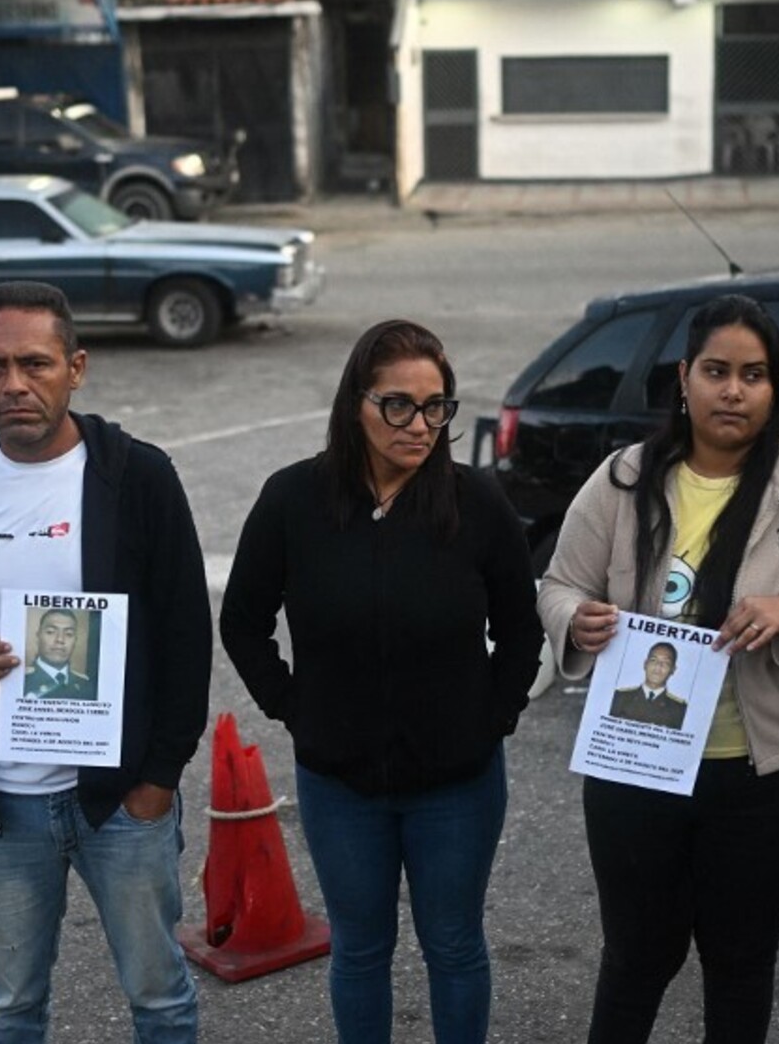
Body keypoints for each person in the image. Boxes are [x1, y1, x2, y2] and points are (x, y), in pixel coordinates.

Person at [537, 294, 779, 1044]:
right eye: (716, 371)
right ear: (684, 378)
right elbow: (559, 584)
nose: (734, 391)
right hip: (639, 765)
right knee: (635, 958)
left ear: (775, 388)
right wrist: (576, 617)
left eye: (753, 375)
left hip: (771, 782)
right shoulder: (622, 479)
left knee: (739, 961)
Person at [0, 281, 211, 1043]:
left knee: (160, 998)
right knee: (11, 1004)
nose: (14, 384)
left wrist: (157, 780)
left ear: (76, 368)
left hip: (120, 799)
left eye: (35, 364)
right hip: (1, 804)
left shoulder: (136, 477)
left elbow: (185, 635)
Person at [219, 319, 544, 1044]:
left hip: (458, 784)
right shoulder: (293, 500)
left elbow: (522, 628)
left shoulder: (476, 502)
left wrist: (493, 717)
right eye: (398, 405)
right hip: (339, 784)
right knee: (360, 949)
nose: (419, 425)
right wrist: (295, 708)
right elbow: (241, 621)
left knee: (454, 944)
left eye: (436, 407)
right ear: (356, 404)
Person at [23, 608, 98, 701]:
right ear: (38, 636)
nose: (60, 640)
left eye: (69, 634)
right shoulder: (22, 680)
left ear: (75, 640)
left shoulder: (86, 685)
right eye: (50, 632)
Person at [608, 642, 687, 729]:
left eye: (665, 663)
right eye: (653, 660)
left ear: (673, 669)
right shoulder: (619, 698)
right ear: (645, 664)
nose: (658, 666)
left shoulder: (679, 709)